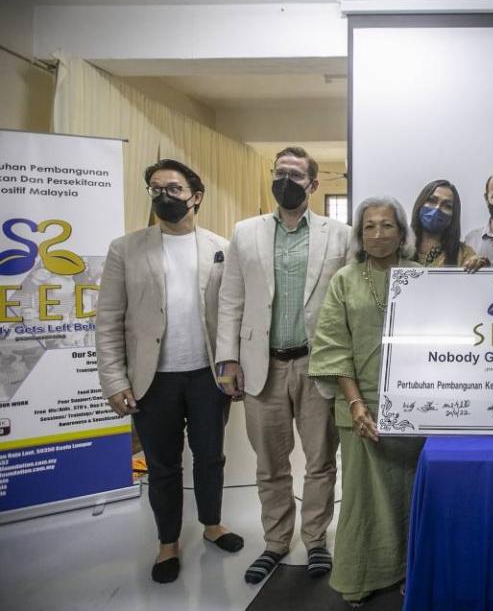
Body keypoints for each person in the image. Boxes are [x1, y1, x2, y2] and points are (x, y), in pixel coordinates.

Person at [96, 159, 241, 584]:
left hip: (207, 377)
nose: (164, 196)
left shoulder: (221, 247)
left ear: (195, 197)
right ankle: (168, 543)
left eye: (174, 189)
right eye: (157, 188)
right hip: (151, 380)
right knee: (162, 466)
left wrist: (233, 368)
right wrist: (114, 380)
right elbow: (108, 320)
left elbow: (232, 314)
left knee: (211, 457)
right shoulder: (125, 248)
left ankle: (213, 525)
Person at [216, 146, 351, 584]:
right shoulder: (245, 232)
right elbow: (231, 298)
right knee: (270, 464)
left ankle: (315, 540)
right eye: (280, 174)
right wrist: (228, 359)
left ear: (313, 185)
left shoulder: (341, 235)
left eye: (296, 176)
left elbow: (347, 304)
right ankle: (276, 543)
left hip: (318, 367)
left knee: (320, 461)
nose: (286, 182)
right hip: (262, 367)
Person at [309, 196, 422, 606]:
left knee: (410, 496)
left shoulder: (420, 276)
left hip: (414, 409)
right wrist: (356, 404)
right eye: (369, 227)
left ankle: (413, 571)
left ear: (402, 233)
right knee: (362, 500)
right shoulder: (344, 279)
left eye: (387, 226)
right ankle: (361, 577)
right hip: (360, 408)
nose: (378, 234)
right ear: (359, 234)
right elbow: (334, 347)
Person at [410, 179, 477, 267]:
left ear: (454, 215)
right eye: (432, 201)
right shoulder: (398, 247)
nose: (437, 208)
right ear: (420, 203)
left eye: (447, 206)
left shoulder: (465, 254)